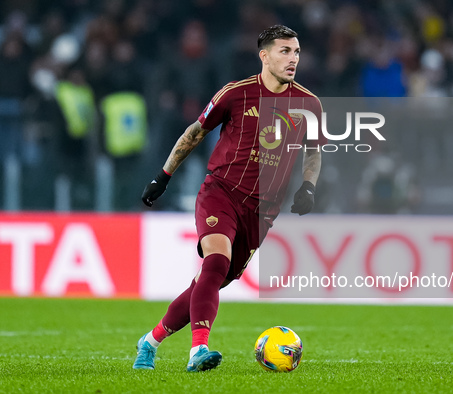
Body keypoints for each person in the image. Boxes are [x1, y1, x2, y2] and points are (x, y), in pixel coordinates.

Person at [133, 25, 322, 372]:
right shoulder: (235, 94)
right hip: (221, 192)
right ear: (264, 56)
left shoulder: (309, 104)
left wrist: (308, 186)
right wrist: (163, 176)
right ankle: (198, 351)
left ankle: (150, 341)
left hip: (262, 211)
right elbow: (195, 133)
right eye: (285, 51)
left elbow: (313, 153)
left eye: (296, 52)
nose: (293, 59)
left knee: (209, 282)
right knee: (215, 263)